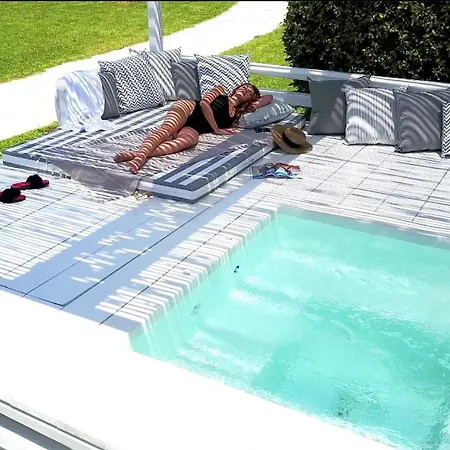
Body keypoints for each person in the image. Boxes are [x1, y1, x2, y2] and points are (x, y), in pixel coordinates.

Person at [113, 83, 273, 174]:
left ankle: (134, 154)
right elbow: (204, 103)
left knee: (188, 141)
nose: (245, 90)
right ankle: (141, 158)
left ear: (249, 99)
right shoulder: (220, 90)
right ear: (236, 88)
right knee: (166, 131)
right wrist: (217, 129)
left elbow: (269, 98)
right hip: (189, 108)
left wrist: (254, 101)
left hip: (196, 127)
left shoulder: (236, 115)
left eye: (249, 92)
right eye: (244, 87)